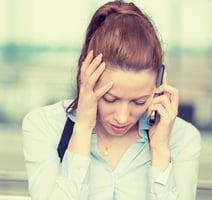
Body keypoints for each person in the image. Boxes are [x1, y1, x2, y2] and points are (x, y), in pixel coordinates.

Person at [22, 1, 201, 199]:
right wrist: (81, 130)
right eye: (110, 99)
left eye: (139, 102)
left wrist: (160, 151)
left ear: (157, 86)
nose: (123, 117)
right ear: (87, 75)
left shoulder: (182, 140)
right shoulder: (44, 126)